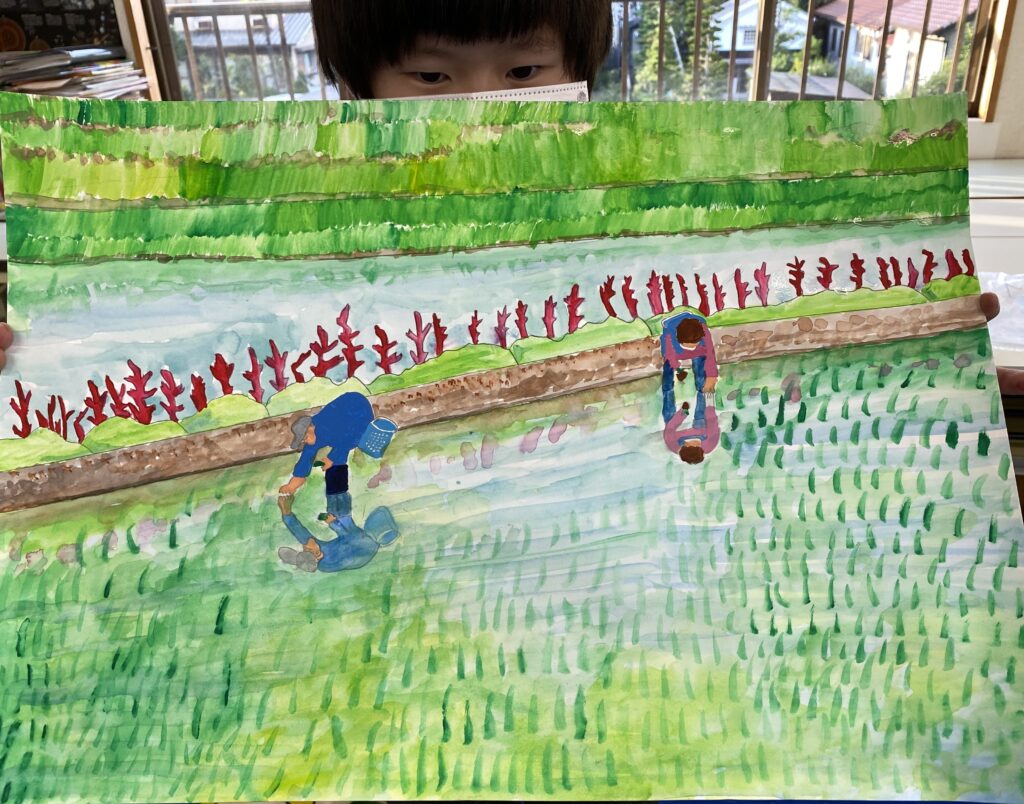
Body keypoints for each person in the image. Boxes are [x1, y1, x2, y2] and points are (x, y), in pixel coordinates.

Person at [277, 493, 399, 573]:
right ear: (318, 554)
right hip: (362, 545)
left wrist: (286, 512)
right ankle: (340, 492)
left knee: (335, 515)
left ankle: (335, 489)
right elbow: (350, 539)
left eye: (304, 549)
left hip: (350, 542)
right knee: (339, 517)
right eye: (307, 548)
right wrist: (333, 523)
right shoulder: (335, 558)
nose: (305, 544)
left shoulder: (313, 556)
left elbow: (300, 533)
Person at [660, 311, 719, 423]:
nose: (692, 349)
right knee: (667, 381)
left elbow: (710, 355)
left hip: (700, 349)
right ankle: (669, 416)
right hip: (675, 349)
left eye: (694, 346)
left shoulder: (703, 334)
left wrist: (711, 376)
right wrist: (677, 367)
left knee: (703, 381)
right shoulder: (669, 337)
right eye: (688, 346)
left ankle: (701, 416)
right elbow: (669, 355)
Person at [664, 392, 720, 465]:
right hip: (701, 427)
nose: (697, 443)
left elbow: (670, 428)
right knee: (701, 417)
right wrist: (709, 401)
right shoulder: (709, 445)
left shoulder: (673, 445)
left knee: (668, 417)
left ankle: (668, 391)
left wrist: (683, 412)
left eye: (688, 444)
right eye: (698, 446)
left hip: (677, 429)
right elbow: (712, 423)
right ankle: (701, 391)